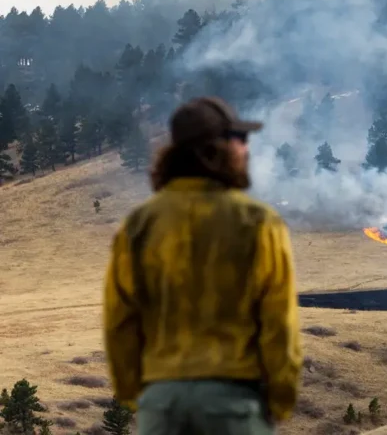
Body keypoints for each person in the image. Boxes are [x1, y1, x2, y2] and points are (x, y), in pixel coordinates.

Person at [103, 96, 302, 435]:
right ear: (215, 149)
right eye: (239, 139)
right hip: (234, 400)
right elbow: (278, 321)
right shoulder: (258, 222)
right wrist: (280, 399)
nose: (246, 149)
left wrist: (139, 395)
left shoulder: (139, 224)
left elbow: (120, 319)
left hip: (161, 403)